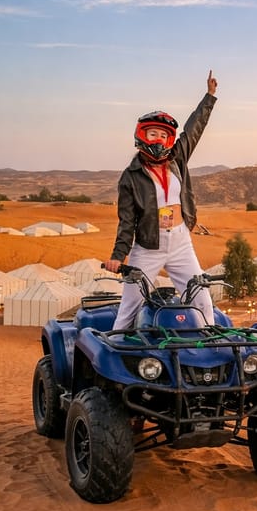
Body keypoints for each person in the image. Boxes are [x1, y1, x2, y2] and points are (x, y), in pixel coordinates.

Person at [104, 70, 218, 329]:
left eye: (164, 135)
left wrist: (209, 97)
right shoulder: (130, 176)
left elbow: (193, 129)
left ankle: (210, 350)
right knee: (129, 306)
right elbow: (126, 221)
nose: (159, 139)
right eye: (153, 133)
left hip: (180, 242)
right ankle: (117, 358)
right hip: (147, 247)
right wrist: (118, 255)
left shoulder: (177, 159)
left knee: (202, 298)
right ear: (142, 135)